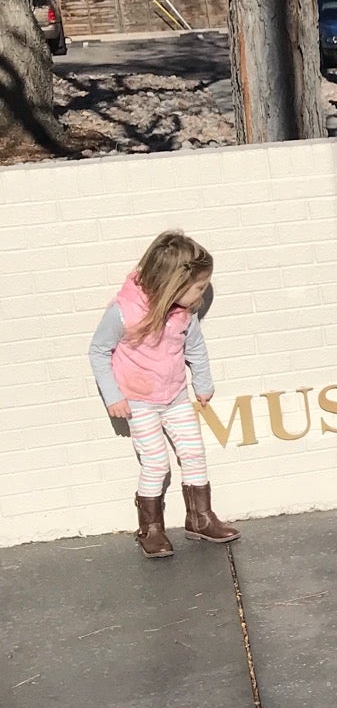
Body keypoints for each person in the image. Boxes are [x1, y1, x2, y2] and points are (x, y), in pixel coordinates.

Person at [88, 230, 239, 557]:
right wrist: (113, 396)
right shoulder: (124, 312)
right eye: (199, 287)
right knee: (156, 463)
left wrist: (202, 383)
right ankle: (151, 529)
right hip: (139, 402)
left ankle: (200, 518)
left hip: (175, 397)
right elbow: (99, 351)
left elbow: (195, 347)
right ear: (174, 283)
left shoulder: (184, 313)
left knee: (194, 453)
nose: (202, 294)